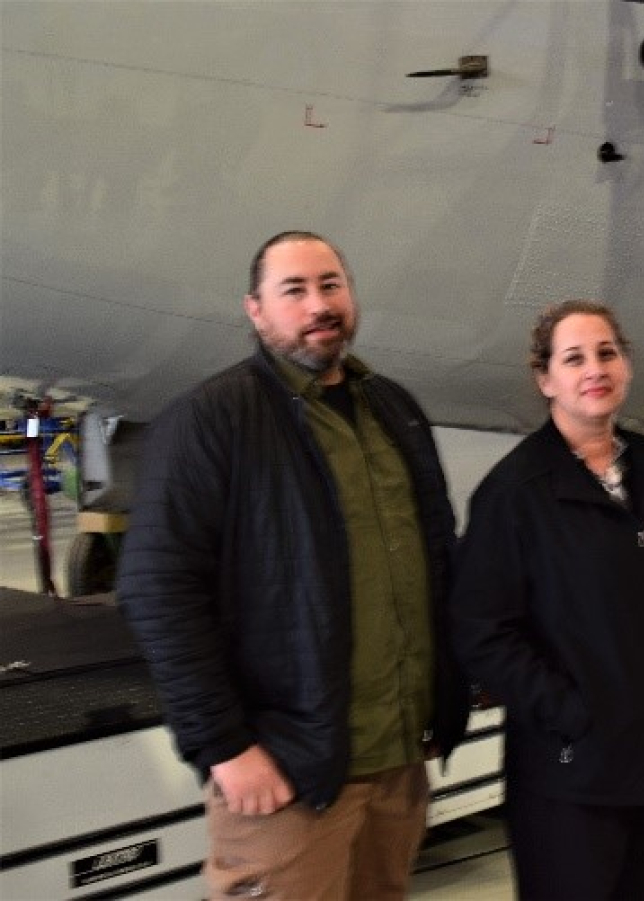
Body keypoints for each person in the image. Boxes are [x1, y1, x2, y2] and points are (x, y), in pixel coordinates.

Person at [116, 231, 470, 900]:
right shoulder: (211, 419)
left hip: (396, 763)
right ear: (256, 310)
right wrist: (224, 746)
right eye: (295, 290)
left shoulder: (393, 409)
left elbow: (435, 556)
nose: (319, 304)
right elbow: (156, 588)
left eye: (331, 284)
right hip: (286, 776)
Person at [451, 300, 644, 900]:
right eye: (573, 358)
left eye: (606, 353)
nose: (594, 370)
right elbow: (481, 629)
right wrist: (571, 714)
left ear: (626, 366)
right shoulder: (515, 494)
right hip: (572, 779)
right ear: (546, 378)